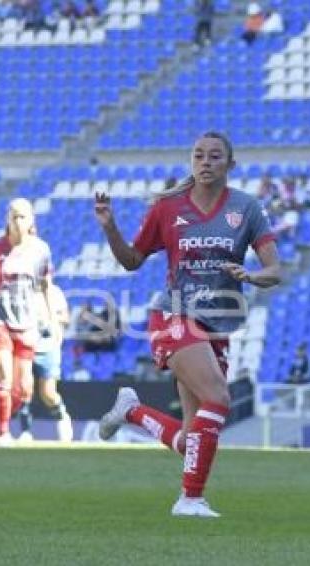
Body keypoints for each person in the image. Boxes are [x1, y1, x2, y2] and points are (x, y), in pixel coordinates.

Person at [93, 131, 281, 517]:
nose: (206, 161)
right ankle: (190, 499)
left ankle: (132, 412)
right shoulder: (168, 208)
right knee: (219, 398)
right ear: (191, 162)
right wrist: (111, 228)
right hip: (173, 315)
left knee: (192, 439)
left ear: (230, 164)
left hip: (217, 325)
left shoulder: (246, 209)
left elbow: (275, 269)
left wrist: (250, 276)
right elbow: (132, 261)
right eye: (199, 155)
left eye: (215, 156)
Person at [0, 198, 55, 447]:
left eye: (22, 216)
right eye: (13, 216)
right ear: (7, 220)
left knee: (23, 390)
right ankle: (3, 434)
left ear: (31, 220)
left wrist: (51, 320)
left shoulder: (41, 250)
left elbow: (45, 287)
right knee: (4, 378)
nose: (17, 221)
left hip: (27, 322)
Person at [23, 281, 74, 442]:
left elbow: (65, 317)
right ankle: (25, 431)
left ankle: (62, 418)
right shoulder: (23, 292)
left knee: (48, 393)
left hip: (48, 347)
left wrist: (49, 318)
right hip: (26, 344)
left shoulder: (55, 292)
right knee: (25, 388)